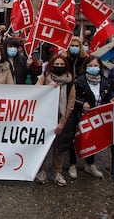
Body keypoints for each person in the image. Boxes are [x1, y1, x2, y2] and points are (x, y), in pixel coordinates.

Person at [68, 55, 114, 180]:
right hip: (80, 116)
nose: (93, 68)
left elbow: (107, 95)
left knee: (93, 139)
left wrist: (111, 99)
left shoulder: (104, 81)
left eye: (96, 66)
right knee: (76, 139)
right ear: (86, 67)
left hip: (96, 117)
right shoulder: (79, 81)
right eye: (90, 66)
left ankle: (90, 164)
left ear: (100, 67)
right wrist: (82, 103)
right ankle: (72, 164)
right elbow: (72, 97)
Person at [35, 54, 76, 186]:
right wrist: (46, 88)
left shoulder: (70, 82)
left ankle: (57, 172)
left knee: (59, 147)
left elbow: (70, 104)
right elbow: (34, 93)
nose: (59, 67)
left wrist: (62, 123)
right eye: (56, 64)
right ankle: (40, 171)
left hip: (60, 117)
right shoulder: (44, 78)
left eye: (61, 65)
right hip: (44, 117)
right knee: (43, 145)